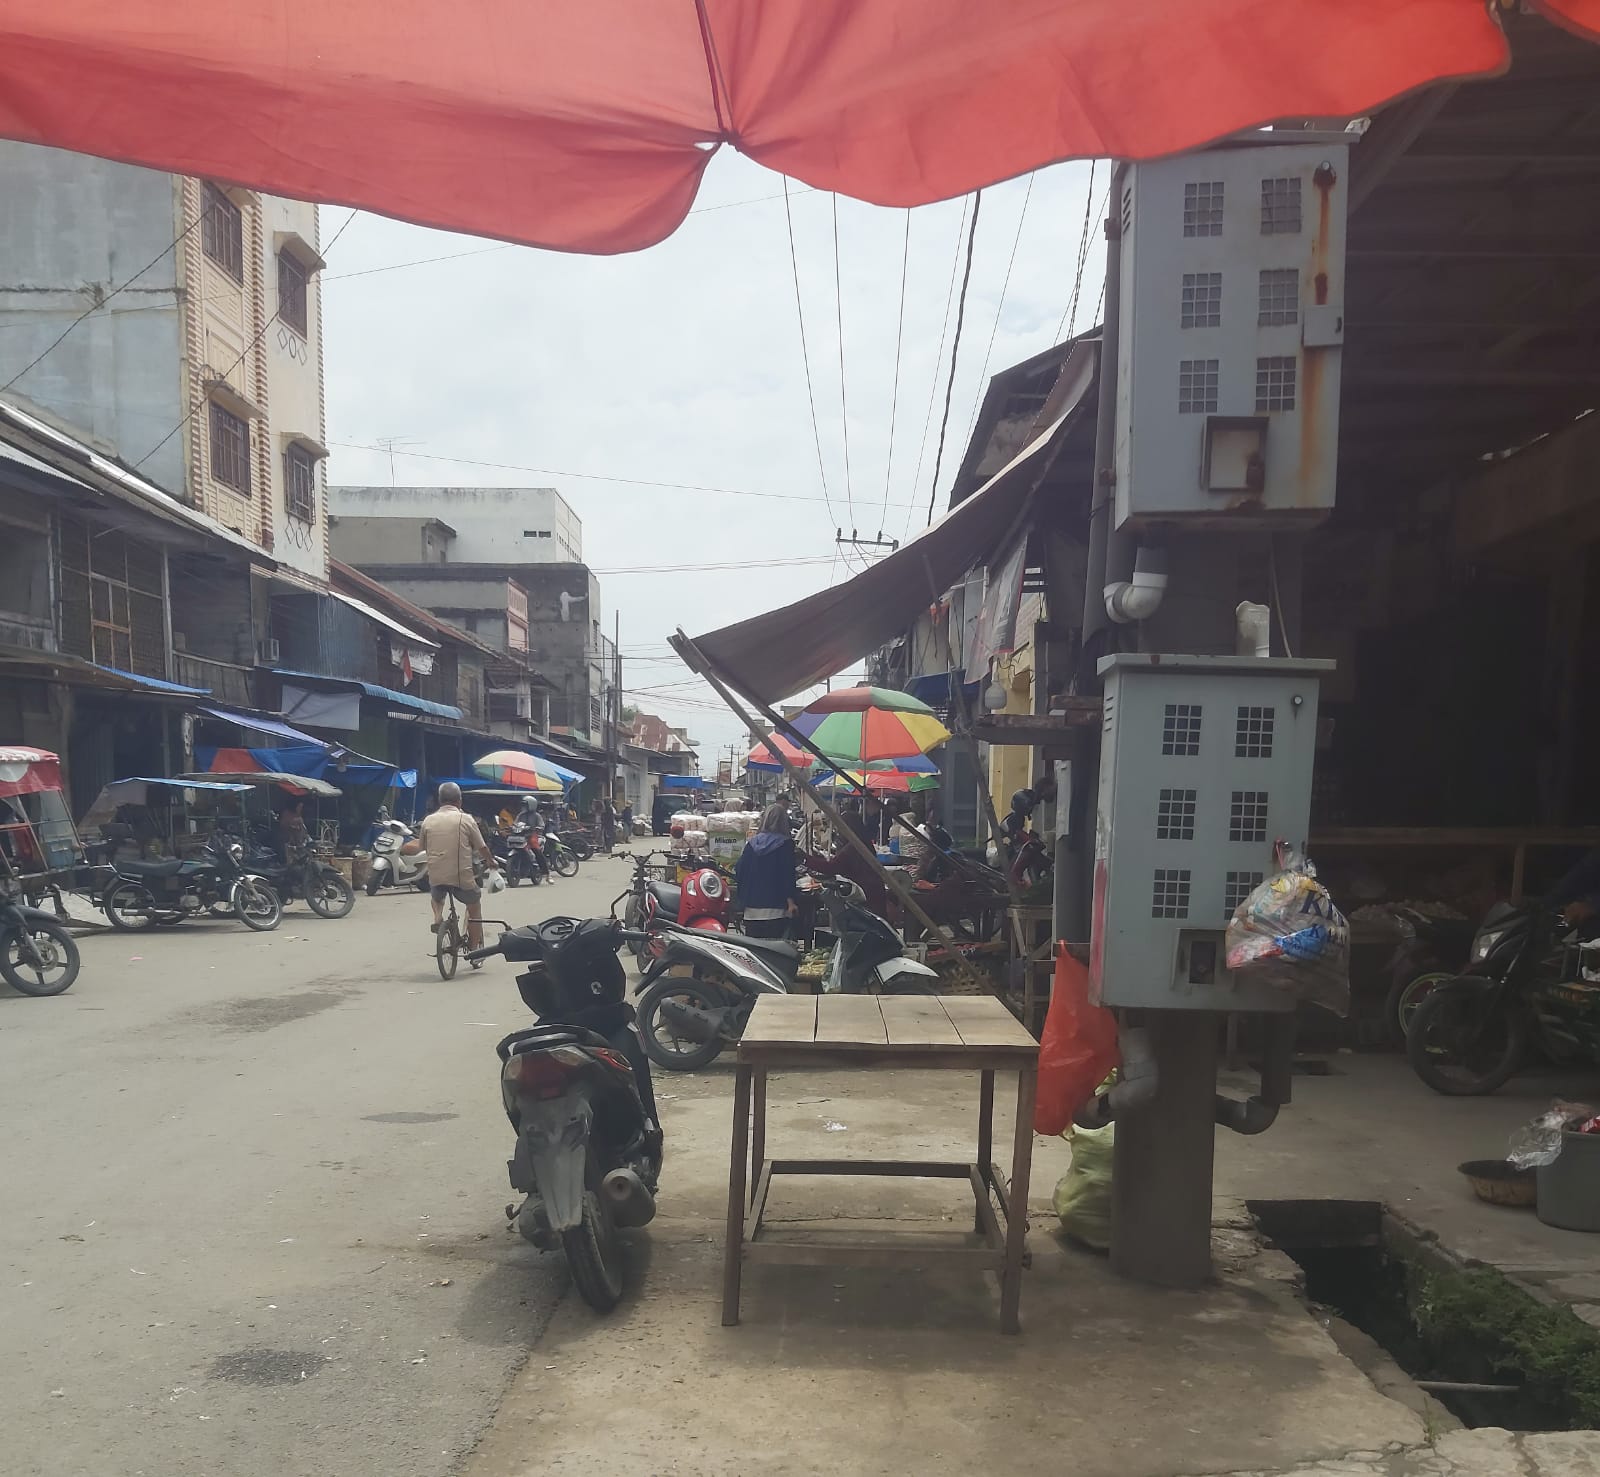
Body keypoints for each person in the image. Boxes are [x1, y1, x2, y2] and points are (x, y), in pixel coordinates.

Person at [409, 781, 493, 948]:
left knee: (436, 896)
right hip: (460, 876)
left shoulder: (428, 820)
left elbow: (421, 847)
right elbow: (481, 846)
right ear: (459, 801)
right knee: (474, 906)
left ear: (440, 801)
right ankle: (474, 948)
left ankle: (438, 916)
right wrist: (492, 862)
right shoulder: (466, 819)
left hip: (436, 875)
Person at [737, 803, 801, 939]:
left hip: (751, 910)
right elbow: (787, 875)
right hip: (776, 910)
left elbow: (740, 870)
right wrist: (791, 903)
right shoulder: (785, 844)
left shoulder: (751, 844)